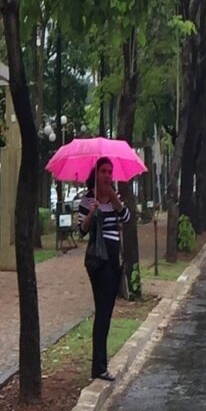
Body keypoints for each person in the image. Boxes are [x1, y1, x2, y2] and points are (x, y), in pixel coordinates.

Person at [78, 157, 130, 382]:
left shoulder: (114, 197)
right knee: (102, 310)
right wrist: (93, 212)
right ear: (96, 173)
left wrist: (115, 200)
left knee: (106, 311)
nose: (108, 175)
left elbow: (126, 218)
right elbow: (81, 229)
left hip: (113, 255)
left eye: (110, 171)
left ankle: (99, 365)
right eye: (103, 171)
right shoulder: (87, 198)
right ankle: (99, 366)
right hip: (97, 259)